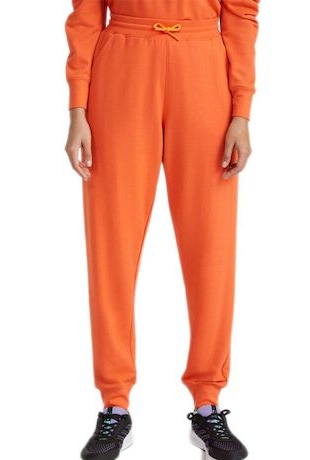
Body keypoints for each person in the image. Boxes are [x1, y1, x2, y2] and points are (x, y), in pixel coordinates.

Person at [64, 1, 260, 459]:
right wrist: (77, 108)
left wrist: (242, 111)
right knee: (111, 244)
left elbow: (241, 16)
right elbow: (86, 16)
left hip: (203, 67)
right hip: (121, 70)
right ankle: (114, 404)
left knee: (211, 246)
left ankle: (208, 401)